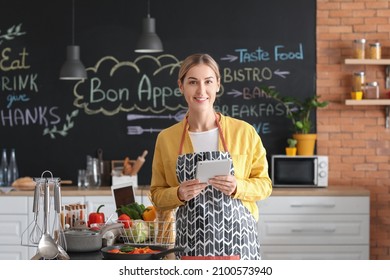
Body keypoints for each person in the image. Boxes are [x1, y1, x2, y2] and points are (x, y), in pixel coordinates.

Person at [150, 53, 272, 260]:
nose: (201, 90)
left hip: (239, 245)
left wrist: (237, 187)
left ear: (217, 85)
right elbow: (156, 196)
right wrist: (178, 193)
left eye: (208, 81)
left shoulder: (245, 132)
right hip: (189, 246)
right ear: (181, 86)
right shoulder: (166, 138)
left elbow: (264, 186)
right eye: (192, 82)